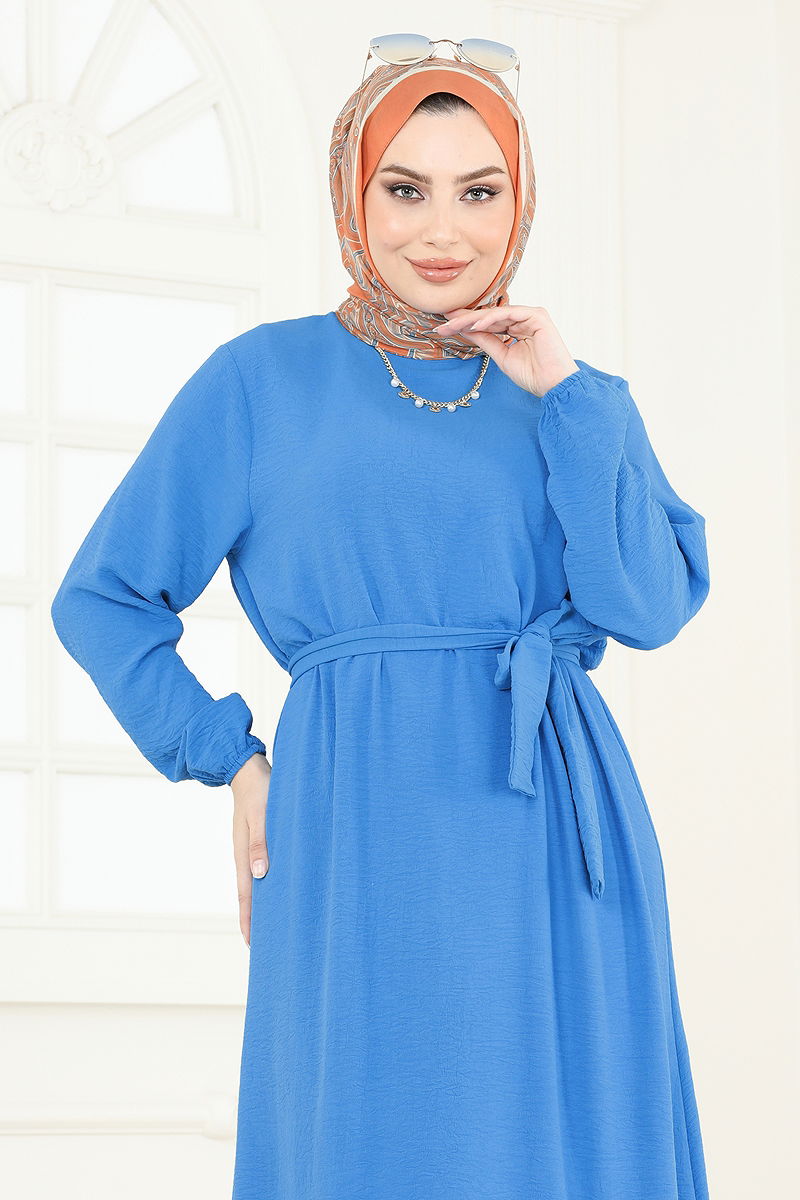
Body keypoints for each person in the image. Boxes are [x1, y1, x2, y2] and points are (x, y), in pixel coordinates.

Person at [50, 41, 712, 1200]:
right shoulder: (261, 381)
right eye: (404, 189)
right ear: (353, 198)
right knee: (373, 1139)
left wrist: (564, 392)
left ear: (520, 202)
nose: (441, 231)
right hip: (360, 825)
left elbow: (647, 608)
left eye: (478, 191)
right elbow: (102, 598)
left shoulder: (568, 397)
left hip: (558, 839)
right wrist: (230, 758)